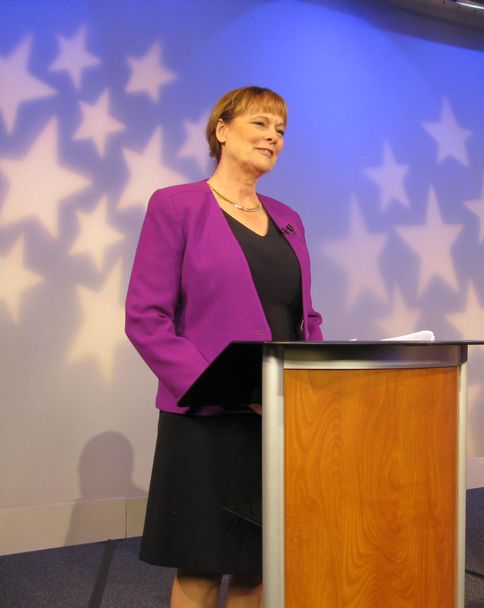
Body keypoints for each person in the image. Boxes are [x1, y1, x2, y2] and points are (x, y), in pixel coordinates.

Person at [125, 86, 323, 608]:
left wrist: (316, 379)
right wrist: (232, 391)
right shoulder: (175, 205)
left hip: (277, 415)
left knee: (257, 567)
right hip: (208, 416)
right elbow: (146, 318)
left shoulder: (288, 218)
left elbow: (305, 316)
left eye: (280, 130)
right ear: (222, 130)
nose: (273, 137)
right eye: (261, 124)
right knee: (202, 567)